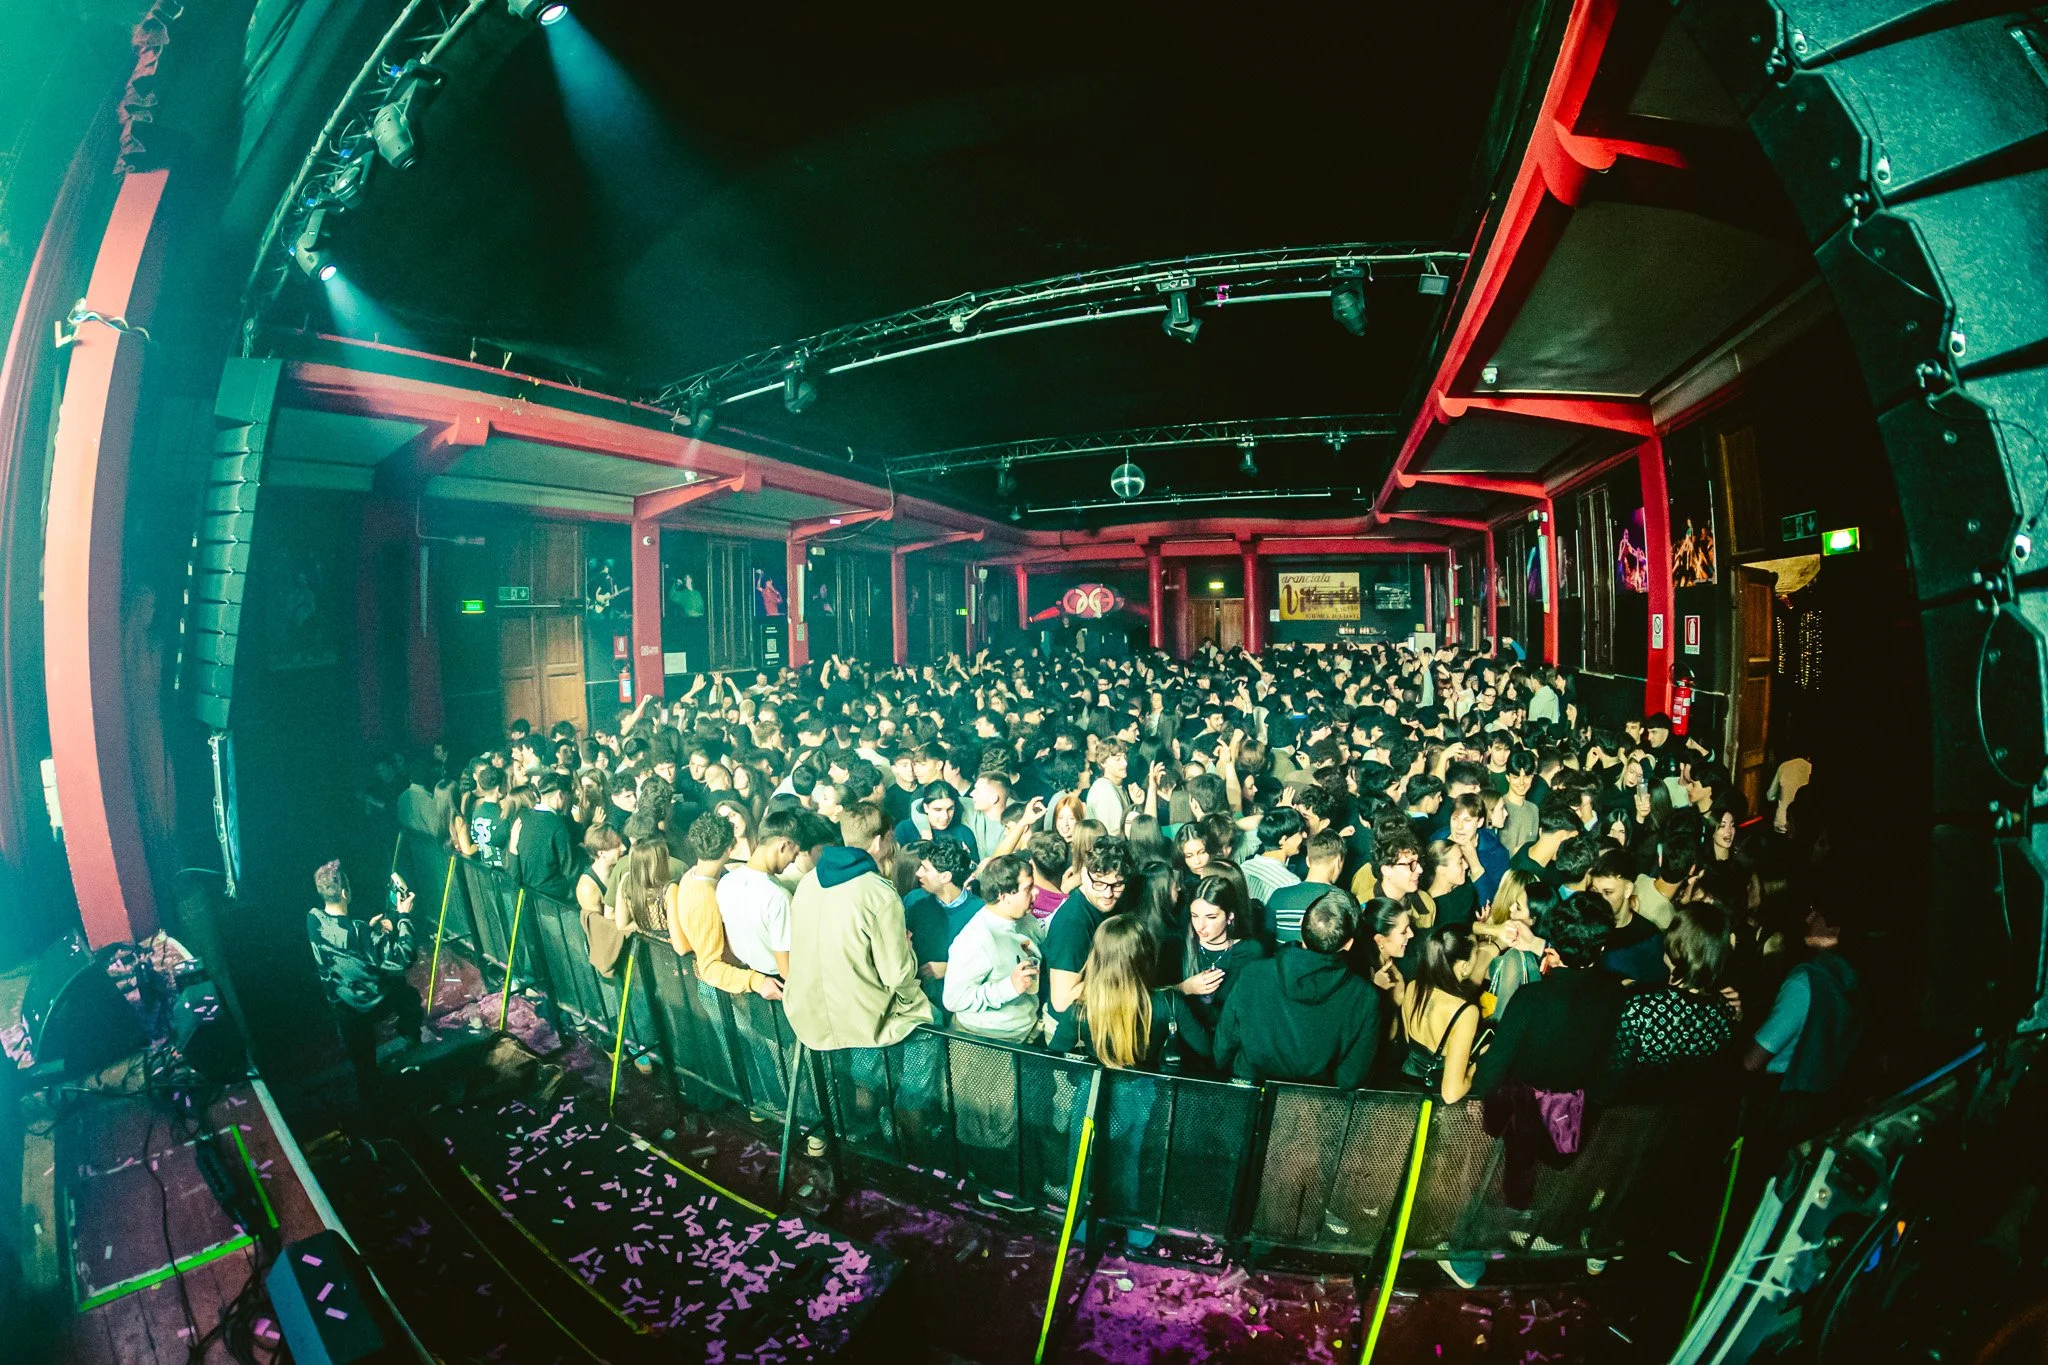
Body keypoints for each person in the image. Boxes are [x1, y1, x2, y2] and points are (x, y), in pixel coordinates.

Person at [786, 801, 933, 1051]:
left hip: (806, 1016)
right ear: (878, 841)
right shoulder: (880, 894)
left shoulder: (808, 881)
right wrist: (907, 950)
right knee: (931, 1023)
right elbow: (896, 975)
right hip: (861, 1024)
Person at [1213, 891, 1385, 1089]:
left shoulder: (1253, 973)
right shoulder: (1365, 997)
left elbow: (1223, 1047)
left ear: (1301, 924)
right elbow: (1351, 1077)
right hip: (1310, 1104)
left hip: (1250, 1093)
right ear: (1348, 944)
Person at [305, 860, 424, 1103]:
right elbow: (404, 957)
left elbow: (343, 940)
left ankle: (371, 1098)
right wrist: (403, 917)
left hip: (341, 1006)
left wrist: (371, 931)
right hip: (371, 1002)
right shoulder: (360, 932)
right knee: (408, 995)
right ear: (345, 893)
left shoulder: (313, 919)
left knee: (364, 1064)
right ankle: (409, 1035)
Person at [1745, 904, 1862, 1138]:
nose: (1808, 919)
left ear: (1835, 930)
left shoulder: (1804, 982)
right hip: (1822, 1098)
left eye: (1817, 914)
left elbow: (1753, 1061)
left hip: (1781, 1100)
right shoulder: (1851, 980)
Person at [1606, 901, 1739, 1101]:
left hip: (1635, 1109)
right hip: (1686, 1112)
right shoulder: (1724, 1011)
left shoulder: (1642, 1008)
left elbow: (1613, 1070)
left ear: (1676, 945)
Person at [669, 813, 783, 1000]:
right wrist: (757, 981)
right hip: (724, 994)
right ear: (730, 849)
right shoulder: (705, 900)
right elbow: (710, 968)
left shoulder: (690, 876)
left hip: (721, 989)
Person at [1044, 835, 1134, 1050]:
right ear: (1084, 874)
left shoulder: (1105, 903)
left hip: (1096, 1020)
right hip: (1073, 1035)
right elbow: (1062, 1001)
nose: (1108, 893)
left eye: (1117, 884)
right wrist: (1114, 971)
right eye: (1099, 883)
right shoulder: (1073, 925)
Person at [1172, 874, 1267, 1067]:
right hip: (1184, 1052)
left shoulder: (1250, 952)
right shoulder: (1178, 946)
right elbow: (1152, 997)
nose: (1200, 925)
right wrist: (1184, 988)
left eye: (1211, 917)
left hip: (1230, 1053)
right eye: (1195, 916)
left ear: (1230, 916)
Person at [1397, 926, 1483, 1104]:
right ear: (1464, 966)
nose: (1479, 955)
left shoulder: (1413, 987)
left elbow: (1408, 1041)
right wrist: (1479, 1062)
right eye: (1477, 952)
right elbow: (1451, 1094)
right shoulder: (1466, 1012)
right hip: (1435, 1099)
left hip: (1405, 1087)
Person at [904, 837, 985, 1022]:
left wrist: (951, 969)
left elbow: (991, 963)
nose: (918, 873)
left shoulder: (980, 912)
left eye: (925, 868)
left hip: (963, 1011)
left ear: (945, 877)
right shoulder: (913, 901)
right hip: (921, 1006)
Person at [717, 806, 802, 981]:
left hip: (746, 978)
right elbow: (786, 970)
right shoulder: (778, 896)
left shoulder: (726, 881)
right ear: (783, 845)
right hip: (776, 984)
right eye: (795, 853)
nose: (794, 860)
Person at [508, 769, 578, 900]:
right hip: (552, 898)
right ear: (560, 795)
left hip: (525, 893)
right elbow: (569, 868)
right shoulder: (558, 825)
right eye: (568, 796)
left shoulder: (521, 816)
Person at [1266, 829, 1345, 944]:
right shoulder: (1343, 901)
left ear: (1307, 860)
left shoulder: (1278, 895)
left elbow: (1266, 939)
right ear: (1338, 861)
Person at [1241, 806, 1306, 905]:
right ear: (1283, 840)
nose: (1305, 835)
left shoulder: (1243, 868)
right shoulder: (1289, 883)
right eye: (1300, 832)